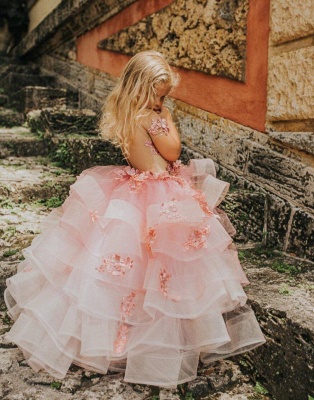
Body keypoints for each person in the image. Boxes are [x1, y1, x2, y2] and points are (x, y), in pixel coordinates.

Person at [4, 50, 265, 388]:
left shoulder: (126, 113)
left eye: (165, 96)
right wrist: (166, 121)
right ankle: (157, 343)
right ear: (144, 87)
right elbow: (172, 152)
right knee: (166, 266)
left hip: (132, 187)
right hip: (158, 191)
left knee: (122, 269)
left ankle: (117, 341)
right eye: (159, 93)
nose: (162, 100)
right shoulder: (152, 117)